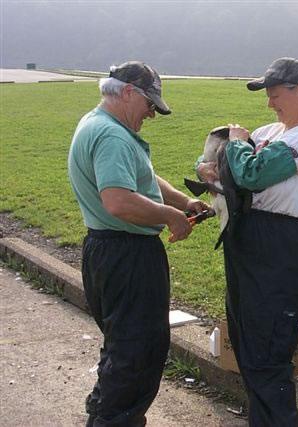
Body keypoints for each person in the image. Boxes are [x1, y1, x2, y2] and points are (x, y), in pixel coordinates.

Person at [68, 61, 209, 426]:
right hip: (127, 254)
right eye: (150, 104)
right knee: (137, 354)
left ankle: (103, 413)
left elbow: (142, 175)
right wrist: (170, 216)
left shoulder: (99, 123)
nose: (151, 114)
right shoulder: (112, 137)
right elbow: (118, 200)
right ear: (128, 92)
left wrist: (183, 201)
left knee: (122, 346)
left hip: (105, 250)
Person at [197, 57, 298, 426]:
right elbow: (224, 163)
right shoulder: (271, 131)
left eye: (275, 95)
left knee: (269, 348)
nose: (270, 103)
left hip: (280, 243)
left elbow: (251, 174)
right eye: (268, 96)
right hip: (248, 235)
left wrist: (237, 144)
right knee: (247, 343)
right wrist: (205, 167)